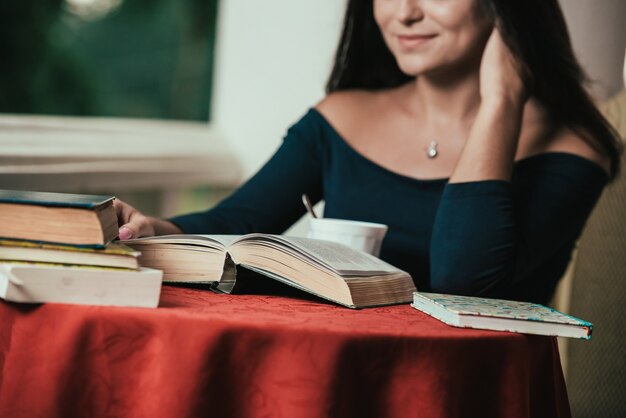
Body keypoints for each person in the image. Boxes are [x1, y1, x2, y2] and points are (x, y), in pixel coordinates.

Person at [115, 0, 622, 305]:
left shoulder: (574, 144)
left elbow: (467, 287)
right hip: (344, 377)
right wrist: (153, 229)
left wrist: (501, 104)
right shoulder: (340, 116)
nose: (406, 12)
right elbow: (236, 220)